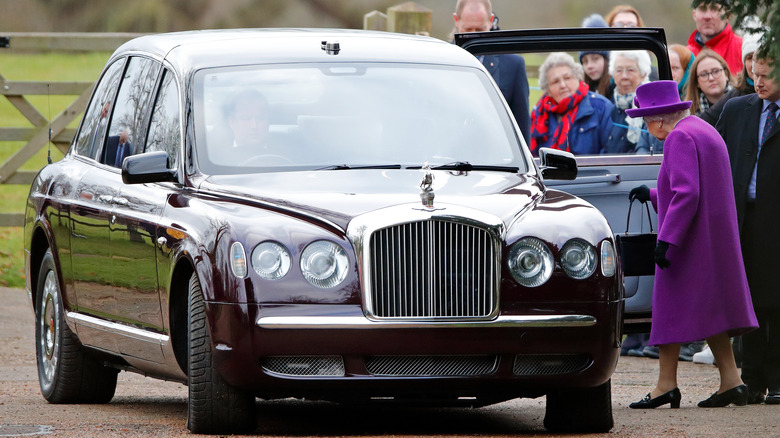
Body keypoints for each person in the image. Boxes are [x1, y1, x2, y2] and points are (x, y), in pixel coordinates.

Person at [626, 80, 757, 409]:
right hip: (712, 241)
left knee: (669, 311)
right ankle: (732, 381)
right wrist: (655, 194)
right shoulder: (702, 129)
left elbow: (687, 194)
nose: (647, 127)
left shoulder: (678, 137)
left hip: (689, 241)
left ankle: (665, 385)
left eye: (645, 121)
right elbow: (699, 185)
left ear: (657, 120)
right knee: (712, 311)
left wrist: (667, 239)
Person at [716, 55, 780, 405]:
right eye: (754, 75)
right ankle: (752, 379)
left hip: (777, 221)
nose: (758, 82)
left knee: (778, 301)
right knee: (748, 301)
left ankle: (779, 377)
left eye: (767, 76)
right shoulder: (738, 109)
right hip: (743, 218)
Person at [453, 0, 531, 141]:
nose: (473, 37)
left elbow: (521, 130)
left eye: (480, 30)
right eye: (468, 30)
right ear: (456, 21)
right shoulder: (443, 59)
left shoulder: (513, 65)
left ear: (490, 21)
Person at [529, 52, 613, 155]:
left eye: (567, 78)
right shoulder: (539, 113)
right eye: (555, 81)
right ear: (548, 90)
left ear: (578, 78)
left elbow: (609, 155)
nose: (563, 85)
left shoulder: (602, 107)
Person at [699, 28, 763, 126]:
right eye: (750, 58)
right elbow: (704, 121)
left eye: (761, 56)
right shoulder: (734, 97)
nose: (755, 63)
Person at [605, 50, 663, 154]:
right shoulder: (612, 108)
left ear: (644, 74)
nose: (624, 76)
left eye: (630, 70)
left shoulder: (654, 107)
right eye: (618, 70)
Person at [687, 0, 742, 76]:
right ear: (694, 15)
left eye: (714, 9)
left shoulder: (743, 51)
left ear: (728, 15)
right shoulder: (685, 56)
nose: (707, 16)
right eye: (702, 9)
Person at [686, 48, 735, 115]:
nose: (711, 78)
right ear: (697, 82)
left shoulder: (743, 100)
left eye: (716, 71)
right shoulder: (688, 113)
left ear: (726, 74)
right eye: (704, 74)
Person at [579, 14, 613, 101]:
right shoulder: (582, 90)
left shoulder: (617, 90)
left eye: (595, 59)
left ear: (607, 60)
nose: (589, 66)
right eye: (585, 61)